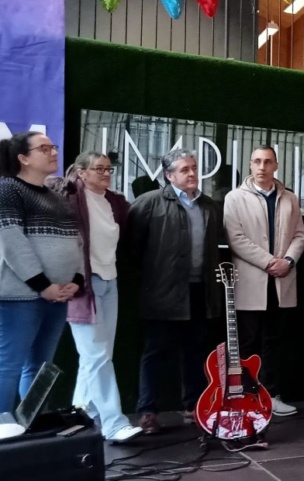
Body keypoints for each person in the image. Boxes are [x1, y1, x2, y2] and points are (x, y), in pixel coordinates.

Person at [48, 152, 142, 443]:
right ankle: (113, 424)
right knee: (95, 355)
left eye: (109, 169)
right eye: (98, 169)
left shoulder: (114, 202)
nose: (105, 173)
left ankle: (80, 416)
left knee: (99, 357)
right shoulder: (70, 198)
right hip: (81, 285)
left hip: (109, 281)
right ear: (82, 172)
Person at [128, 149, 222, 434]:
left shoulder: (210, 206)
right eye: (185, 170)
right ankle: (148, 412)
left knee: (195, 352)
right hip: (162, 293)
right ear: (169, 176)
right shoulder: (148, 204)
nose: (192, 174)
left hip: (199, 292)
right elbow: (131, 251)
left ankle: (192, 407)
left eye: (194, 168)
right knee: (155, 353)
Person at [0, 131, 84, 412]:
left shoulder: (57, 198)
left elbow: (76, 242)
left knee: (39, 366)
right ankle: (2, 422)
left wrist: (77, 280)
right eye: (44, 148)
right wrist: (42, 284)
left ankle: (32, 424)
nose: (53, 152)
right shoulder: (8, 189)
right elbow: (11, 241)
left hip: (57, 296)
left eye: (54, 147)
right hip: (20, 296)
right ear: (23, 158)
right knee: (9, 363)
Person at [223, 145, 304, 416]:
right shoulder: (235, 197)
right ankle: (246, 397)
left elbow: (300, 235)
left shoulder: (290, 199)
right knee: (248, 343)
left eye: (267, 162)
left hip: (281, 282)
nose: (262, 167)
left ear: (276, 165)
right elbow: (235, 238)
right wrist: (269, 262)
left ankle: (270, 396)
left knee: (274, 342)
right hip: (251, 281)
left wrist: (289, 261)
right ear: (250, 165)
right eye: (257, 161)